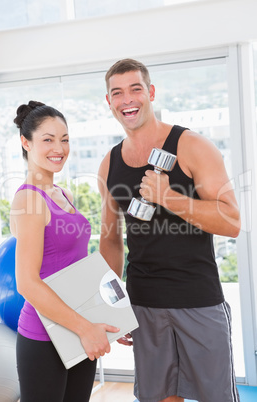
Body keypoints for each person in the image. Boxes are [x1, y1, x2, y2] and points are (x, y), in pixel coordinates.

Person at [98, 59, 241, 402]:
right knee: (158, 398)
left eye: (135, 89)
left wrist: (170, 198)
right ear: (109, 102)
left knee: (216, 397)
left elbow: (231, 221)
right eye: (117, 92)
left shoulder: (191, 145)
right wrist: (112, 308)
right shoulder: (110, 162)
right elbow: (111, 241)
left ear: (150, 93)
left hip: (198, 299)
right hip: (145, 302)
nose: (127, 99)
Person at [10, 100, 119, 402]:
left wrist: (109, 320)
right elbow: (28, 283)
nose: (59, 148)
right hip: (44, 336)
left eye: (65, 139)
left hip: (79, 328)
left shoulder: (63, 195)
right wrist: (86, 329)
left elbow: (75, 268)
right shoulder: (28, 201)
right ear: (26, 143)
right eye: (47, 139)